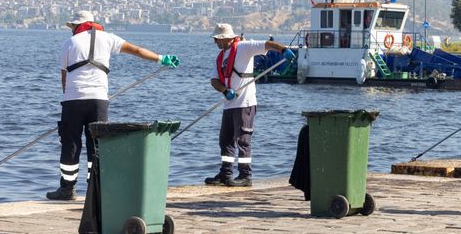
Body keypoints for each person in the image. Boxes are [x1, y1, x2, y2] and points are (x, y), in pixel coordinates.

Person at [46, 11, 180, 200]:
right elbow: (137, 50)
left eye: (73, 26)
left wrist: (68, 96)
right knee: (98, 144)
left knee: (71, 143)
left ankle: (67, 189)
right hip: (99, 100)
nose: (72, 30)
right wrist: (160, 58)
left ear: (79, 25)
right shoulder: (108, 38)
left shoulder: (70, 43)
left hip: (73, 99)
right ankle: (96, 191)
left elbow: (64, 76)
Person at [204, 23, 295, 187]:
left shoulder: (244, 48)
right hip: (229, 103)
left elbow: (267, 45)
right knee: (225, 140)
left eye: (218, 39)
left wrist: (283, 50)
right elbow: (214, 80)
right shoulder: (221, 57)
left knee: (243, 140)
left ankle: (246, 175)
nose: (216, 42)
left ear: (227, 39)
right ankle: (226, 173)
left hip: (245, 102)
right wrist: (225, 90)